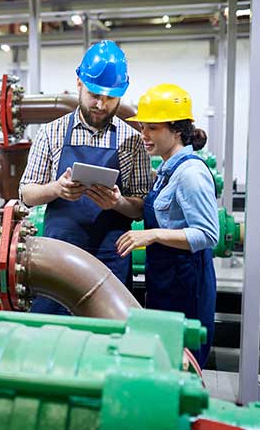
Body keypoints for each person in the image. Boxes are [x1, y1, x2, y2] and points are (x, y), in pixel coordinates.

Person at [19, 40, 152, 315]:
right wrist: (56, 189)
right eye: (94, 94)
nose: (101, 105)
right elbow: (27, 195)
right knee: (52, 334)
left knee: (108, 339)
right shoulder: (51, 133)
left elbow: (140, 208)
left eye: (110, 98)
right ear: (79, 83)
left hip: (110, 260)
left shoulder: (133, 140)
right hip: (57, 259)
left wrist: (116, 202)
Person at [116, 83, 218, 367]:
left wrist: (153, 235)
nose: (144, 135)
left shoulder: (190, 174)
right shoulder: (166, 170)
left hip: (186, 282)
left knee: (184, 361)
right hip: (166, 278)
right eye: (143, 127)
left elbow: (208, 234)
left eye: (152, 128)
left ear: (176, 130)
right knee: (166, 358)